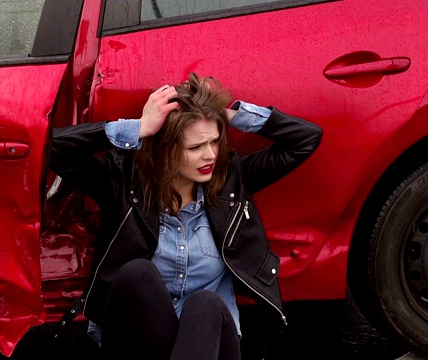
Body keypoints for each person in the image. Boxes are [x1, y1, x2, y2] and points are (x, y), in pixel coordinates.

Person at [49, 73, 322, 360]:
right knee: (136, 273)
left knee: (205, 303)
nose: (210, 156)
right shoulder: (122, 183)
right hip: (139, 341)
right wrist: (139, 128)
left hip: (210, 340)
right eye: (195, 147)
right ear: (165, 150)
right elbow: (52, 149)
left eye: (215, 142)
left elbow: (305, 139)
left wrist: (228, 114)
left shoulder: (232, 180)